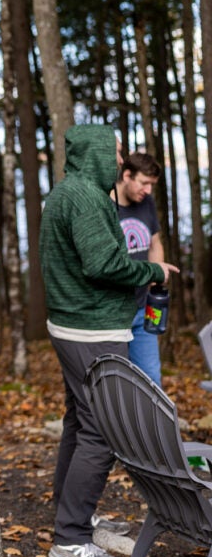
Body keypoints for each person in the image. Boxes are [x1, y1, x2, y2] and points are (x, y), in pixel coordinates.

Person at [41, 125, 178, 557]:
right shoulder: (83, 197)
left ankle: (77, 514)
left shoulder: (70, 192)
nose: (121, 160)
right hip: (91, 331)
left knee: (80, 424)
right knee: (102, 432)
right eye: (116, 152)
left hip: (74, 325)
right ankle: (70, 539)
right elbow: (103, 264)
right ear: (97, 153)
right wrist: (152, 274)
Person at [111, 152, 164, 386]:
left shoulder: (146, 203)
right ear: (127, 175)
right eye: (144, 183)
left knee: (151, 379)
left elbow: (155, 244)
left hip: (144, 309)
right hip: (113, 314)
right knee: (117, 384)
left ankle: (152, 425)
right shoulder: (104, 204)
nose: (148, 190)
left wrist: (156, 278)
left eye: (152, 185)